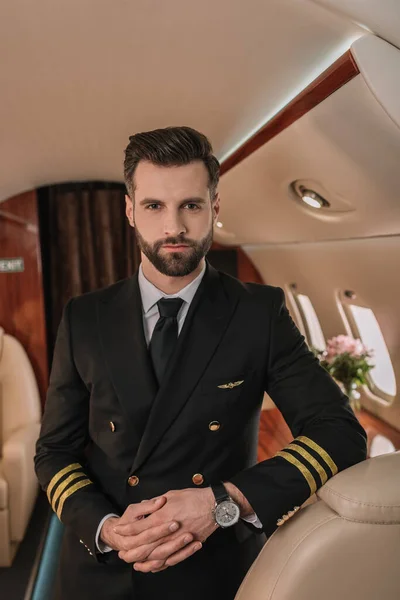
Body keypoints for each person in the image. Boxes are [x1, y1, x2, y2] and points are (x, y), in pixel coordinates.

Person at [34, 126, 367, 600]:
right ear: (130, 211)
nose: (174, 227)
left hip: (213, 569)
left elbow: (340, 431)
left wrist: (222, 502)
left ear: (215, 208)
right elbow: (53, 452)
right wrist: (107, 527)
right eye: (154, 206)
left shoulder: (258, 312)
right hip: (103, 569)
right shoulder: (84, 317)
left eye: (190, 205)